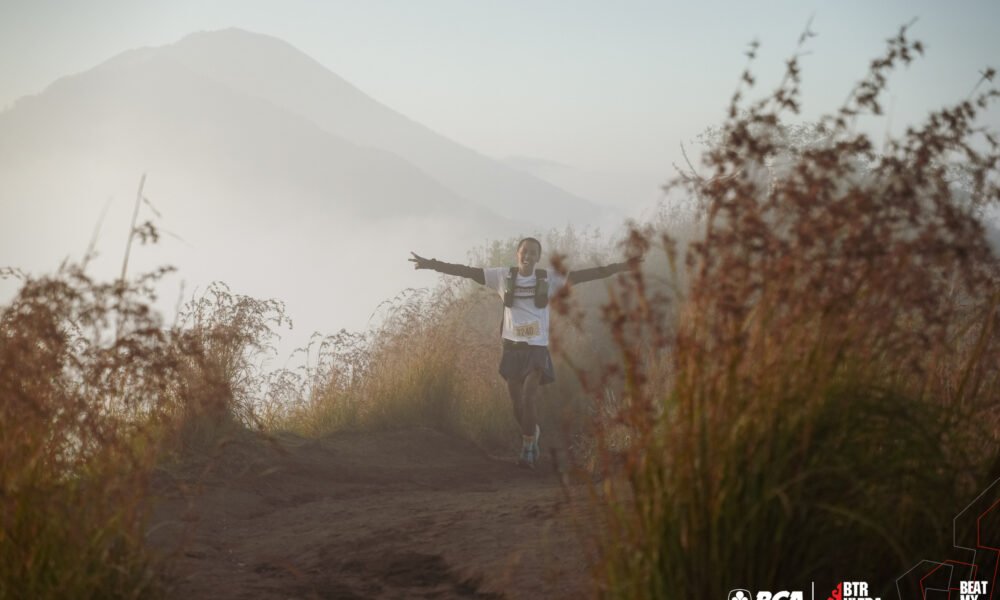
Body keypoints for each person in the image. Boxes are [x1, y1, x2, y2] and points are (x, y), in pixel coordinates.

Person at [408, 237, 629, 468]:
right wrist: (431, 264)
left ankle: (528, 450)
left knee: (528, 396)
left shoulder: (548, 279)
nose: (528, 256)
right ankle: (532, 434)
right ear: (518, 254)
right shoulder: (502, 276)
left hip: (537, 348)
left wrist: (621, 267)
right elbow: (467, 271)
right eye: (525, 251)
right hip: (512, 348)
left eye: (533, 253)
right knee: (516, 404)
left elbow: (585, 275)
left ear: (538, 257)